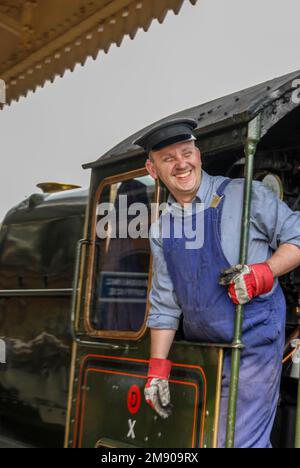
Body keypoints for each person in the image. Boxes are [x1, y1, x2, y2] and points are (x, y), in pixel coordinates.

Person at [133, 118, 300, 448]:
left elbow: (297, 238)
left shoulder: (243, 195)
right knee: (199, 441)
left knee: (235, 442)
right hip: (203, 353)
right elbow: (165, 304)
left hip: (252, 342)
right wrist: (157, 368)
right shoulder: (162, 228)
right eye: (169, 158)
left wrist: (263, 273)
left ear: (198, 154)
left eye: (186, 152)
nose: (182, 164)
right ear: (152, 169)